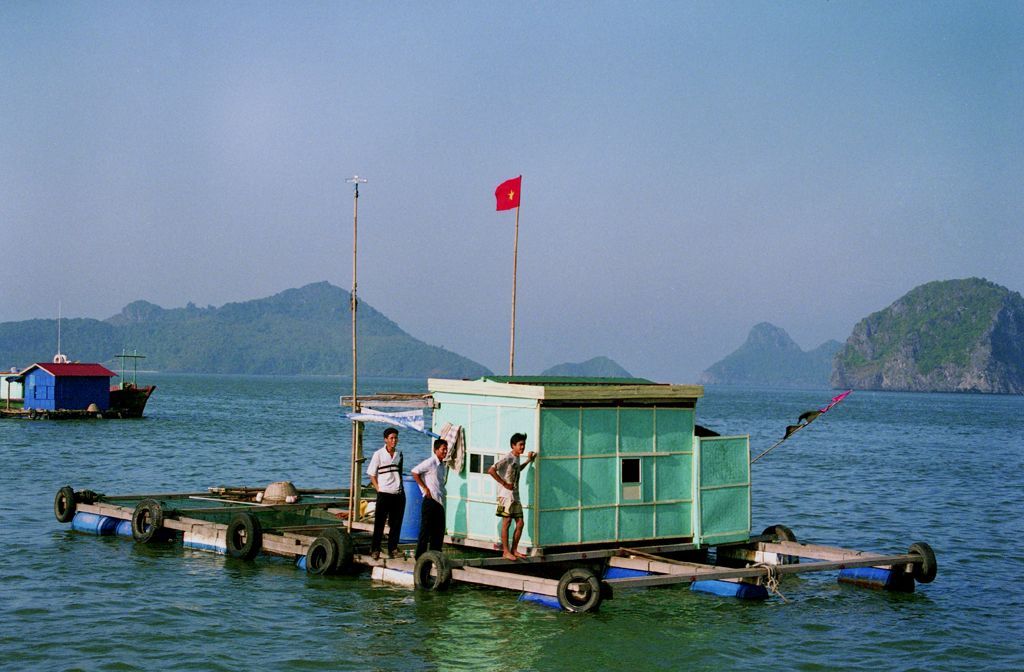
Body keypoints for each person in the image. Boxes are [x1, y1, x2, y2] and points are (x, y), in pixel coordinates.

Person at [488, 432, 537, 561]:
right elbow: (491, 470)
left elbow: (517, 469)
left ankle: (514, 550)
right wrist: (504, 483)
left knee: (520, 523)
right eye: (520, 445)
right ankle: (505, 551)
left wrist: (528, 460)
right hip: (505, 496)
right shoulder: (508, 458)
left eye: (524, 444)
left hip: (515, 495)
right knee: (507, 522)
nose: (523, 447)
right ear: (513, 445)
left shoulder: (517, 457)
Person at [366, 427, 405, 560]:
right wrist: (378, 488)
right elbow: (371, 473)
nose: (394, 440)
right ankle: (375, 549)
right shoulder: (378, 454)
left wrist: (401, 489)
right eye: (391, 438)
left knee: (396, 523)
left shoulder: (399, 454)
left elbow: (399, 473)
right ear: (386, 439)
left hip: (398, 493)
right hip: (384, 493)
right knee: (380, 523)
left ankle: (392, 548)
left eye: (396, 438)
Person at [411, 438, 448, 559]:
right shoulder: (431, 462)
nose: (445, 451)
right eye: (443, 449)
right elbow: (415, 472)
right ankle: (419, 557)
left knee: (439, 532)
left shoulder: (442, 465)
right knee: (425, 530)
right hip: (430, 501)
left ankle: (435, 556)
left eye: (446, 449)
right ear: (436, 450)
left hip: (440, 501)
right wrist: (425, 488)